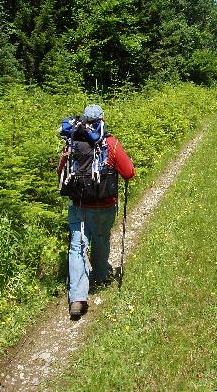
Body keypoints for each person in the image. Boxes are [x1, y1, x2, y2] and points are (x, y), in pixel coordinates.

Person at [58, 104, 135, 318]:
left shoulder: (71, 143)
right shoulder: (110, 143)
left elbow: (61, 170)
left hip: (78, 206)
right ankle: (100, 275)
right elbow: (129, 172)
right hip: (104, 205)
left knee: (77, 247)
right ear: (102, 119)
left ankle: (78, 298)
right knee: (101, 239)